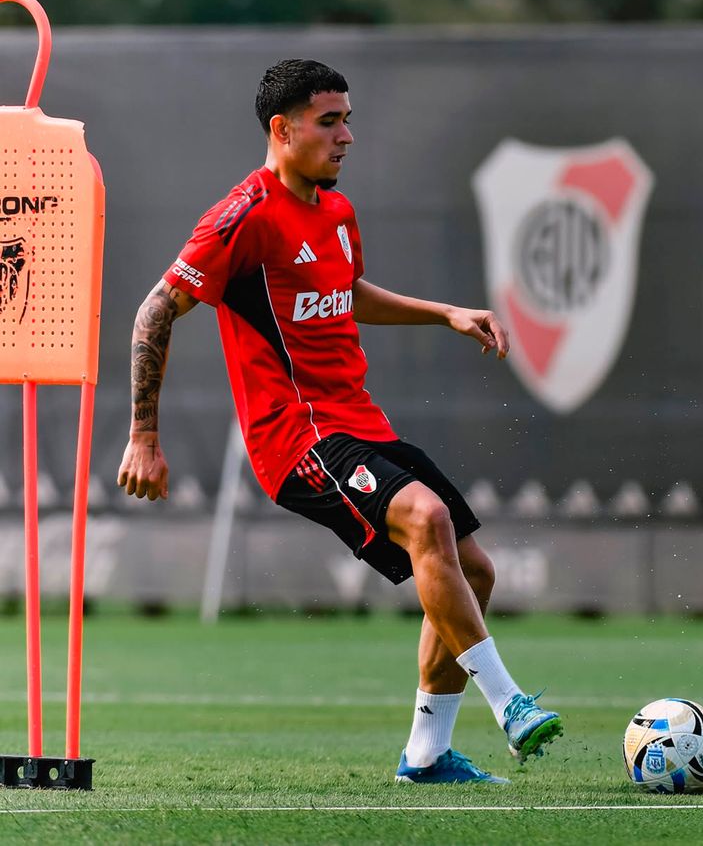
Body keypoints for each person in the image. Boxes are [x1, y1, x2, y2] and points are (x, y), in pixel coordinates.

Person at [117, 58, 562, 784]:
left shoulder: (336, 211)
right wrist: (143, 437)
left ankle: (426, 753)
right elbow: (155, 311)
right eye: (329, 122)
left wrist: (446, 313)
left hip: (358, 423)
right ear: (282, 129)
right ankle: (509, 702)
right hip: (296, 437)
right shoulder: (244, 217)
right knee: (426, 518)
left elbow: (347, 293)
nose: (346, 136)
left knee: (474, 571)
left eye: (348, 120)